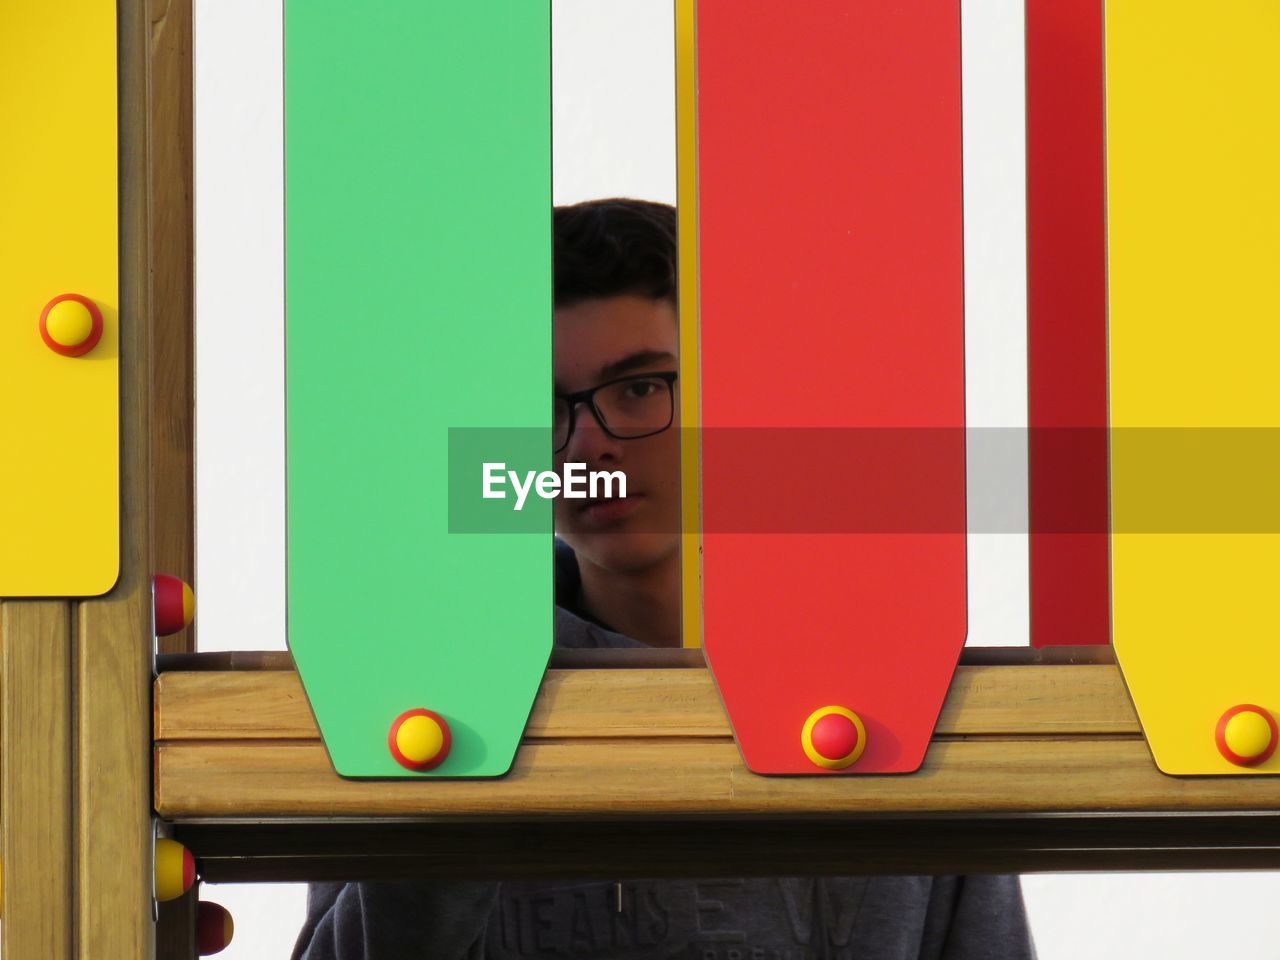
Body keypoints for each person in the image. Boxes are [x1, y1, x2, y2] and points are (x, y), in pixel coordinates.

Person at [292, 199, 1036, 959]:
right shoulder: (434, 686)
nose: (586, 447)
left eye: (642, 388)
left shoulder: (890, 684)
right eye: (544, 406)